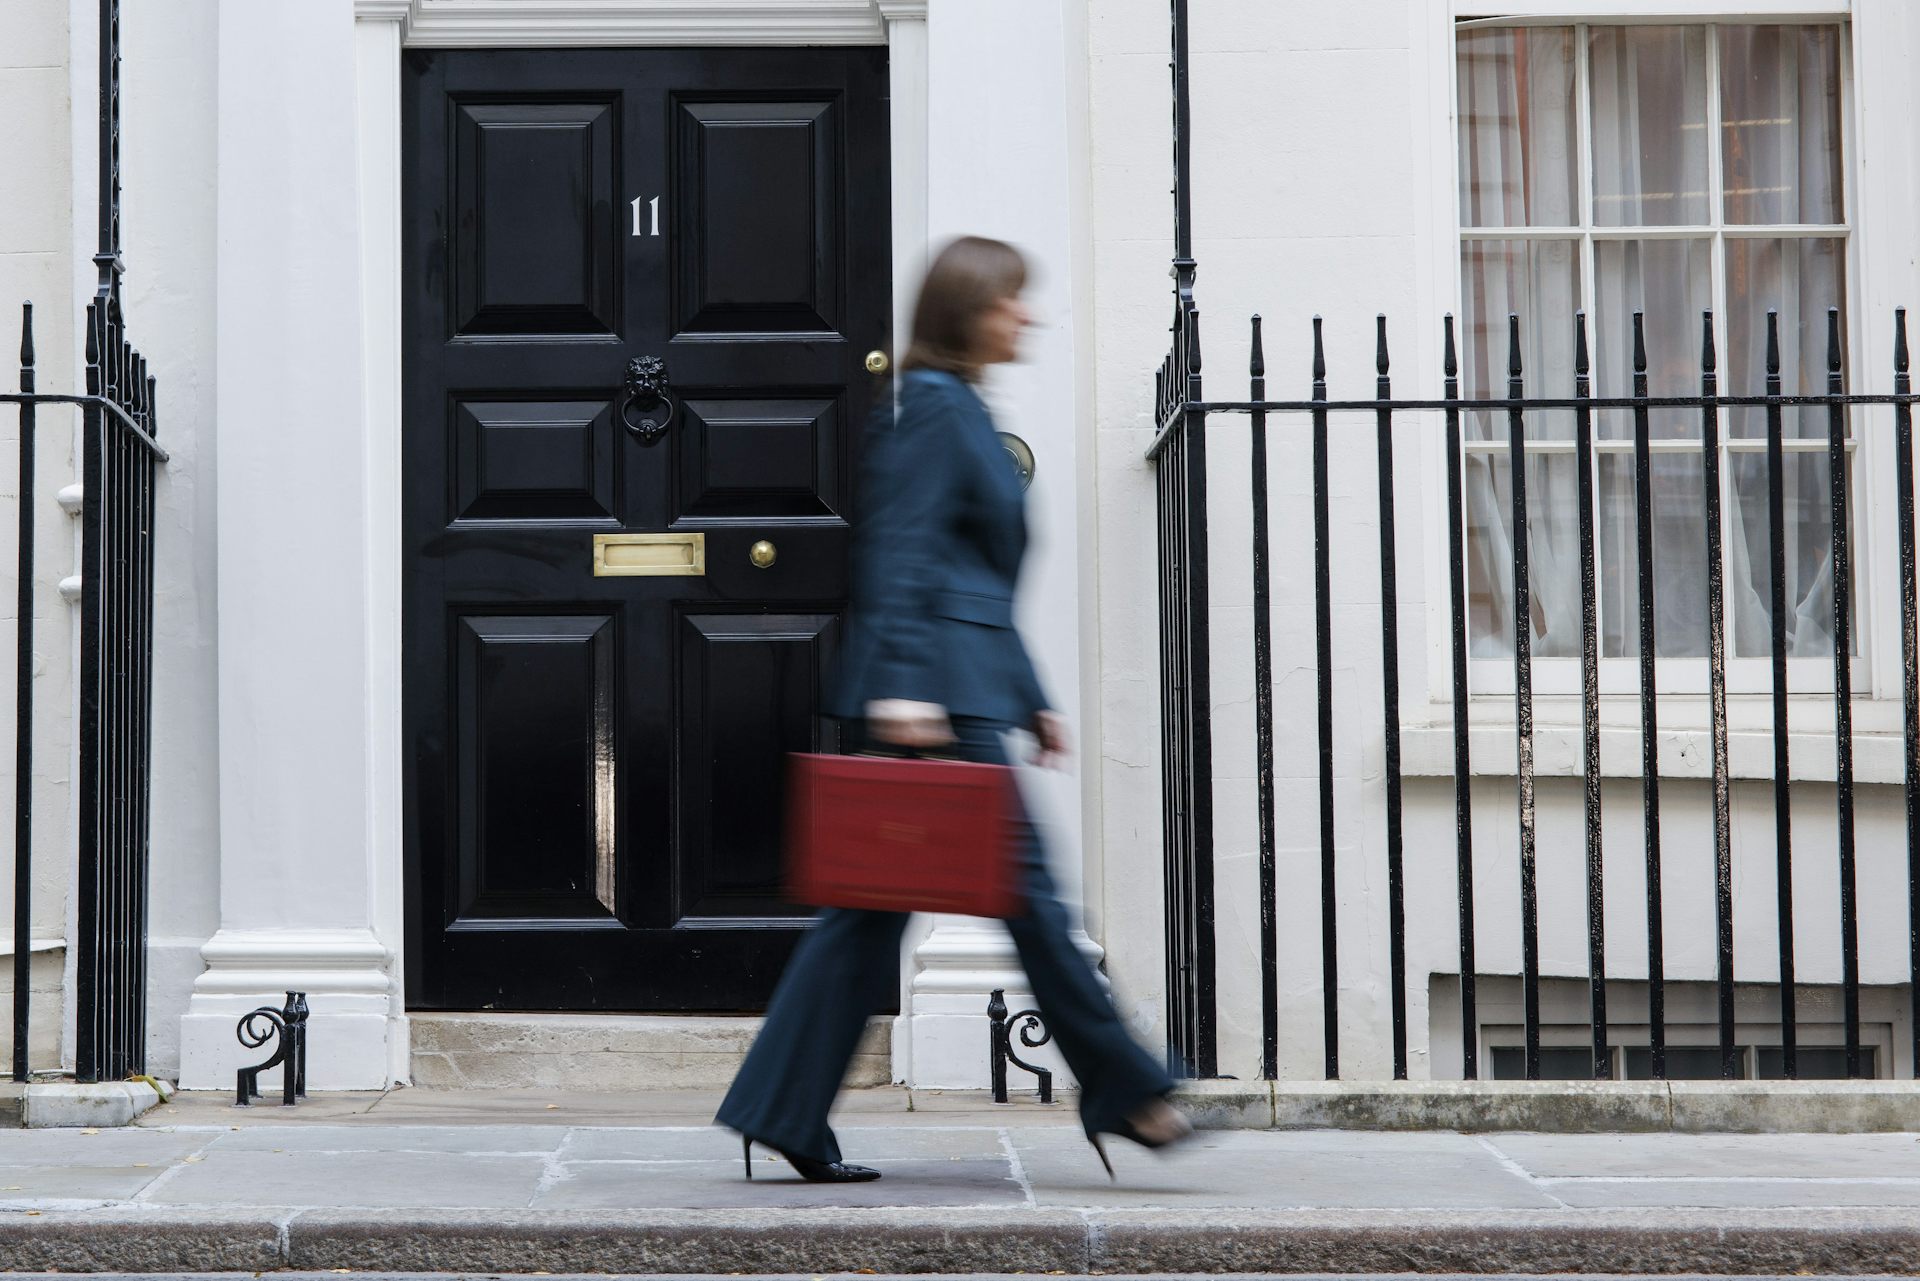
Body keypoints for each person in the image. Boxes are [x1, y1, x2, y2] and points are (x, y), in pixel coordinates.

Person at [715, 235, 1191, 1184]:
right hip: (934, 708)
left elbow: (979, 577)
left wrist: (1032, 698)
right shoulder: (931, 408)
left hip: (964, 693)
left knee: (863, 917)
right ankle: (1126, 1089)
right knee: (1036, 910)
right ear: (967, 310)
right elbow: (900, 552)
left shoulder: (961, 407)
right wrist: (902, 689)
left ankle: (782, 1108)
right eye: (1012, 300)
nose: (1029, 315)